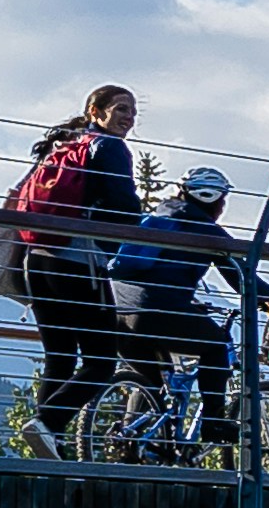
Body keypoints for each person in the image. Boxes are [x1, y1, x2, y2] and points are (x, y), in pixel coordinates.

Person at [8, 85, 142, 446]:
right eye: (121, 110)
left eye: (133, 112)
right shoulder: (109, 147)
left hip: (36, 261)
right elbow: (124, 206)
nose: (129, 118)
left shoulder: (64, 144)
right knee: (101, 362)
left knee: (60, 356)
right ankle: (48, 425)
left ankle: (49, 443)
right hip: (79, 262)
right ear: (95, 111)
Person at [105, 168, 246, 455]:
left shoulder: (154, 218)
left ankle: (133, 438)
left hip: (116, 311)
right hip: (155, 311)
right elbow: (243, 279)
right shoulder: (208, 231)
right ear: (218, 202)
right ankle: (214, 422)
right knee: (216, 347)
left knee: (151, 381)